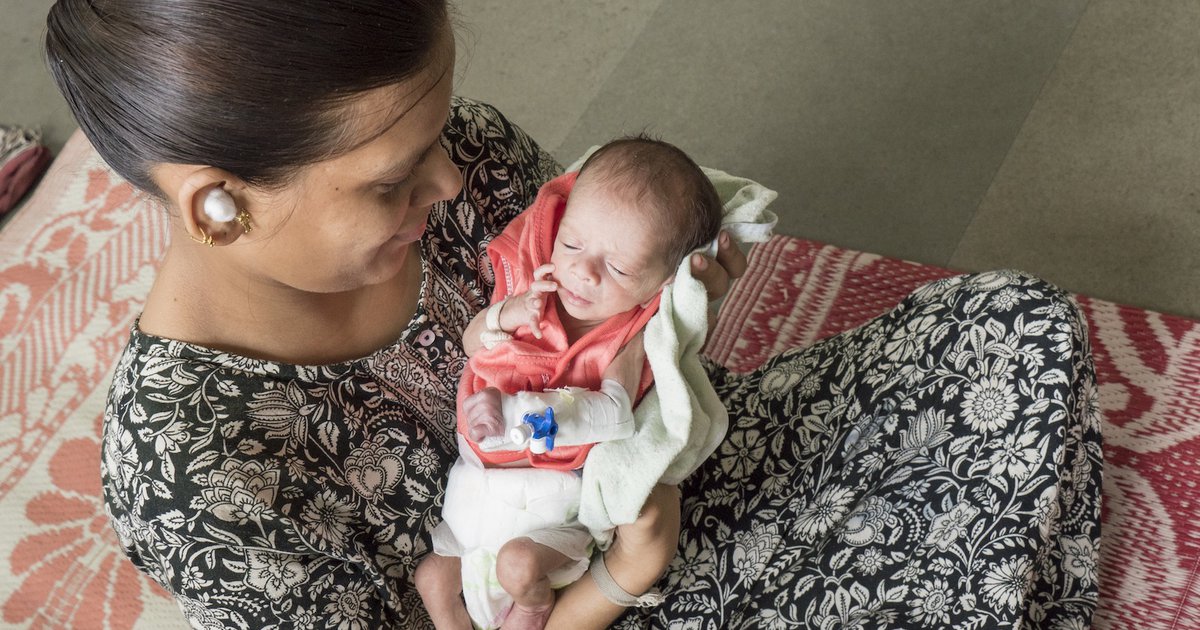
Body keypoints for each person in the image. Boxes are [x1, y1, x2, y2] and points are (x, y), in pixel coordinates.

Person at [45, 1, 1102, 628]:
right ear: (218, 205)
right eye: (391, 178)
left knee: (1011, 323)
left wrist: (673, 316)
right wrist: (620, 580)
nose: (456, 181)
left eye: (440, 132)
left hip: (651, 483)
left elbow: (626, 351)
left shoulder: (473, 169)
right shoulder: (192, 476)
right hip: (566, 601)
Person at [415, 136, 723, 629]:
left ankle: (533, 608)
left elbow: (613, 414)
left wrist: (518, 411)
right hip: (476, 490)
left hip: (551, 506)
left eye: (619, 268)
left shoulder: (629, 338)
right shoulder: (530, 284)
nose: (581, 270)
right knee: (431, 577)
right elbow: (476, 344)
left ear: (663, 284)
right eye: (572, 243)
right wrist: (505, 315)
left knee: (518, 565)